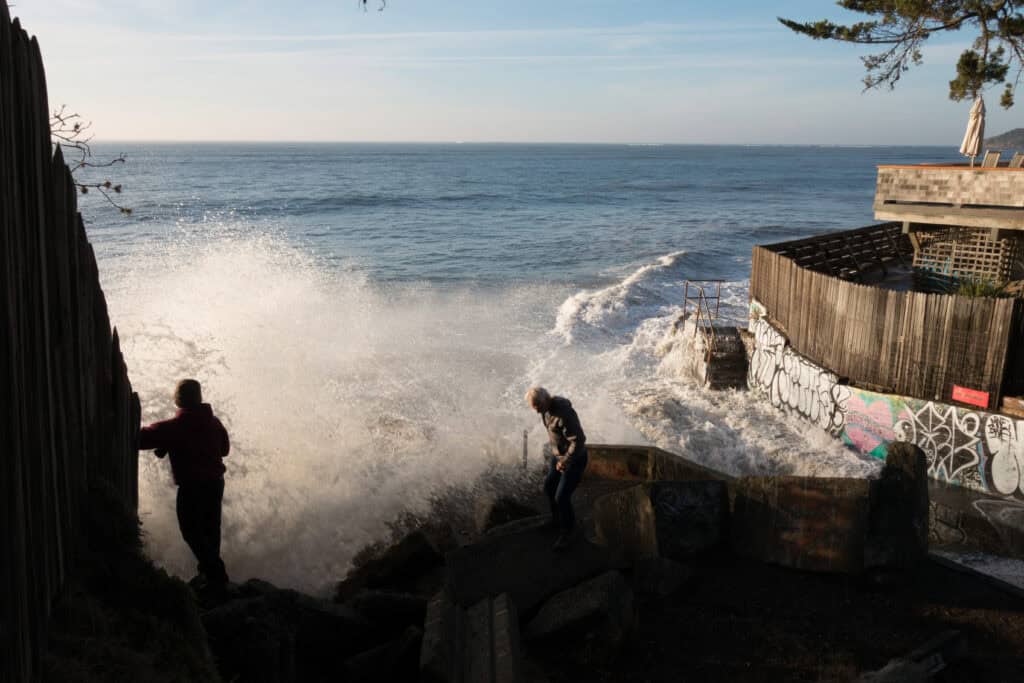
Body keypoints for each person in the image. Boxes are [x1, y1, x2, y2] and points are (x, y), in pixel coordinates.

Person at [138, 379, 231, 595]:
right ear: (199, 398)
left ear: (178, 399)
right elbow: (224, 449)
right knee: (210, 530)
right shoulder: (214, 423)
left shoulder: (176, 426)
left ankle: (216, 574)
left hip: (192, 487)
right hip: (215, 484)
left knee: (190, 530)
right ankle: (209, 577)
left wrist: (171, 443)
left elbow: (142, 439)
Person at [525, 386, 589, 550]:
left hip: (574, 460)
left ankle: (569, 531)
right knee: (549, 487)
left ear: (546, 400)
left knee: (561, 497)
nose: (537, 412)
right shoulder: (546, 409)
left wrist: (566, 460)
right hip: (558, 456)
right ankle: (557, 520)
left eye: (538, 407)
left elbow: (579, 440)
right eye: (534, 409)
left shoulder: (564, 414)